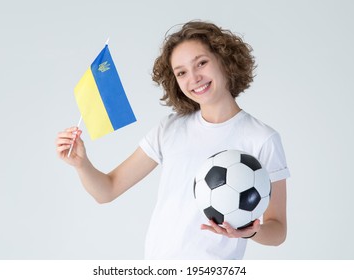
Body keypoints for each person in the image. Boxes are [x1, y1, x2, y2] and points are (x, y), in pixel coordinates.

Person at [55, 20, 290, 259]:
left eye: (202, 63)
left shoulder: (262, 138)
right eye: (182, 72)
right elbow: (107, 190)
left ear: (224, 60)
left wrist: (249, 232)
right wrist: (81, 164)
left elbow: (278, 230)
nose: (194, 77)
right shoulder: (170, 129)